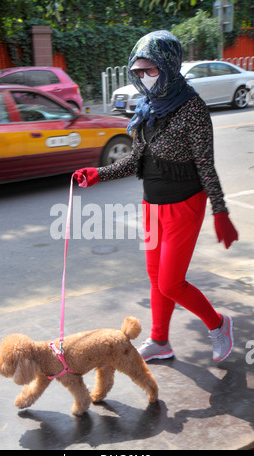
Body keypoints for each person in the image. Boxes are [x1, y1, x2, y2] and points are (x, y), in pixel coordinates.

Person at [73, 30, 238, 363]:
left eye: (151, 70)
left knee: (171, 283)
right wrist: (98, 174)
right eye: (139, 72)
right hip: (152, 205)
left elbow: (206, 166)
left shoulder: (193, 109)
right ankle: (160, 341)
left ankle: (219, 325)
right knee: (156, 278)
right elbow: (136, 160)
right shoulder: (148, 107)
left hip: (185, 204)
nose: (144, 78)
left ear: (169, 65)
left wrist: (220, 212)